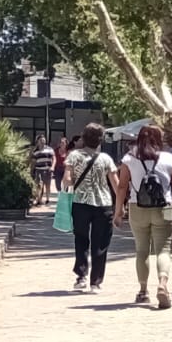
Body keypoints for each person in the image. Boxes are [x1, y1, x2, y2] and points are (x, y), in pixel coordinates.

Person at [115, 124, 172, 309]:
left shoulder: (129, 159)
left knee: (142, 250)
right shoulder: (169, 159)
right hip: (164, 208)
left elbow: (122, 187)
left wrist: (118, 211)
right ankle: (162, 283)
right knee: (164, 249)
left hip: (137, 208)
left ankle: (143, 291)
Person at [64, 123, 118, 293]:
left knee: (81, 239)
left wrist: (73, 184)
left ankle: (81, 277)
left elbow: (67, 180)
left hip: (80, 203)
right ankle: (96, 282)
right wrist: (121, 205)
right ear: (100, 140)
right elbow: (116, 184)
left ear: (83, 138)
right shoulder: (106, 159)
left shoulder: (74, 156)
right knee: (100, 243)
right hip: (103, 204)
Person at [30, 136, 56, 204]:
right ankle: (38, 199)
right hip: (38, 170)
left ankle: (47, 199)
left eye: (43, 140)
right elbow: (33, 161)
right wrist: (32, 170)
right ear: (37, 142)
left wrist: (53, 167)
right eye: (41, 140)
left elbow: (54, 158)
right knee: (38, 185)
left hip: (48, 170)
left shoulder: (50, 149)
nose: (42, 142)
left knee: (47, 185)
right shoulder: (36, 151)